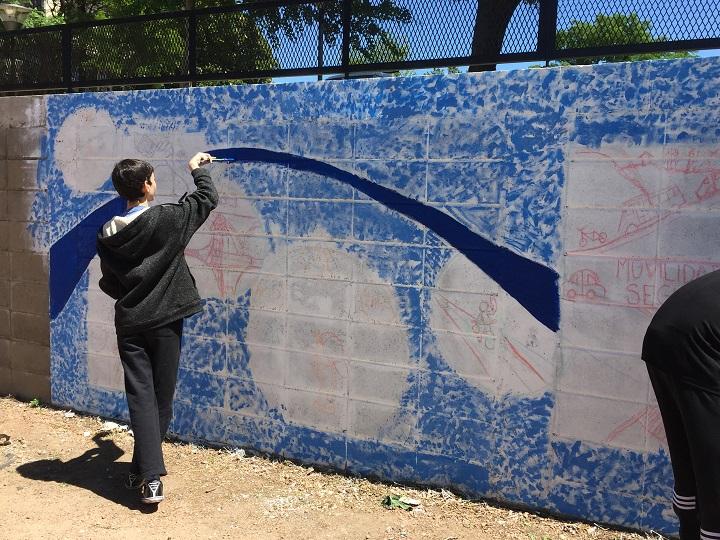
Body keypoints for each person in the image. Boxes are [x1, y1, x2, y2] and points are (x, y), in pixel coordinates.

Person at [96, 152, 218, 504]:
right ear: (147, 185)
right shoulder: (167, 219)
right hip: (165, 322)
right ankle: (151, 477)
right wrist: (196, 170)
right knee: (160, 401)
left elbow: (110, 282)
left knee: (142, 399)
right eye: (153, 178)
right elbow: (206, 199)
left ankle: (141, 467)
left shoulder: (107, 233)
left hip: (130, 323)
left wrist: (133, 296)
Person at [642, 270, 720, 540]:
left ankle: (690, 529)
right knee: (714, 466)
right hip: (700, 343)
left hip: (664, 332)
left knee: (687, 454)